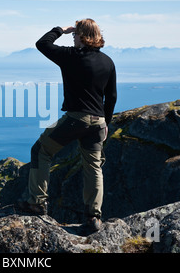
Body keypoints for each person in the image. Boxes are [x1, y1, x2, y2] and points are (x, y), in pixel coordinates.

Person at [16, 19, 117, 231]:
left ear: (82, 36)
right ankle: (94, 217)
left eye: (74, 35)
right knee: (93, 167)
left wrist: (60, 30)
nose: (72, 39)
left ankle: (36, 202)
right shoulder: (108, 62)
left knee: (40, 150)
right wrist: (105, 123)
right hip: (98, 122)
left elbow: (42, 44)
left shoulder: (71, 57)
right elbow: (112, 97)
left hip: (76, 119)